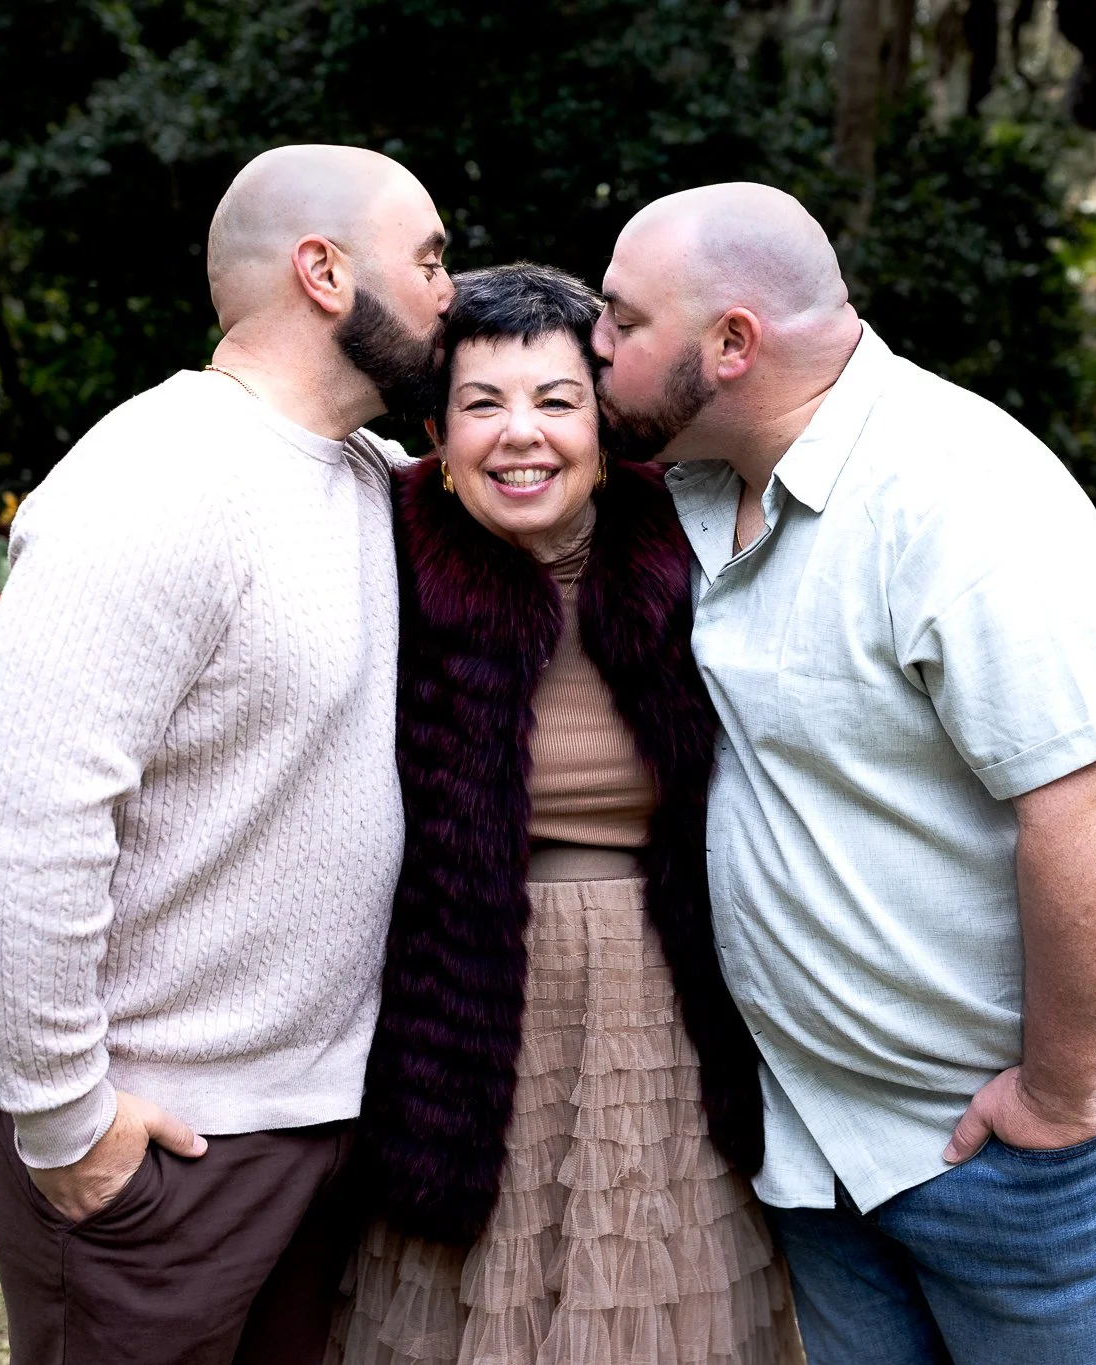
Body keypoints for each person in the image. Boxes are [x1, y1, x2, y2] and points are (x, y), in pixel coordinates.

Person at [591, 182, 1096, 1364]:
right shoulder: (701, 489)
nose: (595, 342)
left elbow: (1088, 806)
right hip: (818, 1152)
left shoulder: (961, 497)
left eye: (620, 321)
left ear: (730, 345)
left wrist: (1060, 1101)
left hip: (1007, 1161)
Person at [0, 144, 453, 1365]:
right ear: (324, 271)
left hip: (320, 1117)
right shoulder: (152, 483)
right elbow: (22, 838)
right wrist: (71, 1126)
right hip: (161, 1136)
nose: (453, 290)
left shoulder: (369, 479)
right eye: (430, 257)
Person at [330, 263, 798, 1365]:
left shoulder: (691, 545)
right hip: (457, 996)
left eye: (555, 400)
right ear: (434, 435)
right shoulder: (379, 552)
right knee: (465, 1290)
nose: (520, 435)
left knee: (653, 1284)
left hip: (665, 989)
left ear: (602, 419)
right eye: (482, 404)